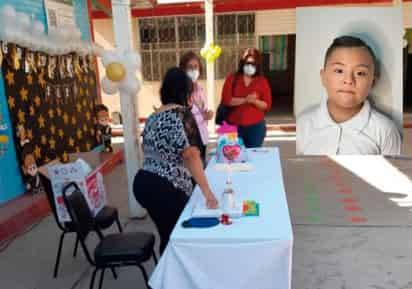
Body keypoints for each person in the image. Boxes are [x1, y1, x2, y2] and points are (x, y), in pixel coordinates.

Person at [133, 67, 218, 255]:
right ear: (184, 92)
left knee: (167, 234)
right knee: (176, 238)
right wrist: (207, 191)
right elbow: (192, 155)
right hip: (165, 186)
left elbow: (144, 148)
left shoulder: (153, 117)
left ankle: (165, 278)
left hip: (143, 182)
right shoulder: (182, 114)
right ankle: (168, 279)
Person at [296, 35, 401, 155]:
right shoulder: (302, 124)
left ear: (372, 82)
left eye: (360, 73)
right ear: (323, 77)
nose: (349, 80)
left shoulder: (385, 130)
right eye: (339, 71)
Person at [221, 48, 272, 148]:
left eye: (253, 64)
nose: (249, 66)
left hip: (256, 128)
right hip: (232, 126)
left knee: (253, 157)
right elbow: (227, 100)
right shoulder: (232, 78)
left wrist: (254, 101)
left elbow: (267, 105)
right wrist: (246, 100)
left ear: (257, 65)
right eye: (247, 63)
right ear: (242, 63)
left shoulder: (262, 81)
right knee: (232, 157)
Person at [179, 51, 213, 165]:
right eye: (189, 67)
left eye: (195, 66)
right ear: (183, 70)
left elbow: (202, 109)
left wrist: (208, 115)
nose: (193, 70)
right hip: (189, 137)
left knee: (202, 166)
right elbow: (182, 118)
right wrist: (201, 117)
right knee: (193, 171)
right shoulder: (181, 92)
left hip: (202, 135)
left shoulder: (199, 88)